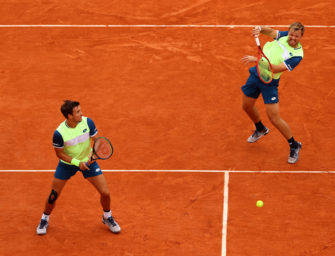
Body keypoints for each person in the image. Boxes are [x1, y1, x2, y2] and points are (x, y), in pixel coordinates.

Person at [36, 100, 121, 235]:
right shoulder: (59, 133)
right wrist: (77, 163)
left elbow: (97, 140)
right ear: (69, 116)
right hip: (67, 165)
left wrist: (92, 155)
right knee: (53, 195)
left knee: (105, 193)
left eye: (80, 111)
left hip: (88, 162)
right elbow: (59, 154)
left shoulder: (88, 122)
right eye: (78, 112)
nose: (81, 114)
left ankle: (107, 216)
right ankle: (44, 218)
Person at [241, 22, 304, 164]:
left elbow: (275, 69)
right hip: (256, 74)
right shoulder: (284, 36)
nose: (293, 37)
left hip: (269, 82)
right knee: (247, 105)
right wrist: (260, 29)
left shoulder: (297, 55)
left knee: (274, 118)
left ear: (301, 37)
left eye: (296, 36)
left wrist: (256, 60)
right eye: (292, 34)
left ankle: (294, 144)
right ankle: (260, 128)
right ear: (289, 32)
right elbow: (270, 32)